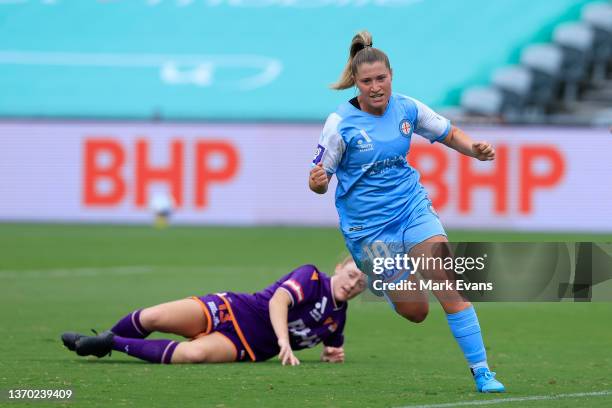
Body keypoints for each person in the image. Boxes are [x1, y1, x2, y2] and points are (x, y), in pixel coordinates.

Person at [309, 31, 505, 393]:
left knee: (447, 283)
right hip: (368, 231)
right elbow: (320, 180)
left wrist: (474, 150)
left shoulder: (407, 108)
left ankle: (483, 372)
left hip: (411, 209)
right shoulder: (339, 123)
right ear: (356, 83)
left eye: (381, 78)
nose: (375, 87)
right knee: (416, 311)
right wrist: (319, 181)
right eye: (367, 81)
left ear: (392, 75)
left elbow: (449, 133)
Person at [61, 259, 366, 365]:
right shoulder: (311, 277)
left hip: (245, 346)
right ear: (340, 267)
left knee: (192, 355)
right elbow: (278, 302)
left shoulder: (337, 319)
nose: (353, 285)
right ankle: (104, 341)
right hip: (232, 309)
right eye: (352, 275)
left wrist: (331, 355)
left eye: (361, 284)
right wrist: (284, 342)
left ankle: (108, 343)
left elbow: (334, 347)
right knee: (151, 318)